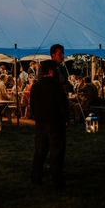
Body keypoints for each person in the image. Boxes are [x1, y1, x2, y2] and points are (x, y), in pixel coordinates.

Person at [29, 59, 69, 190]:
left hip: (40, 123)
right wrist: (66, 119)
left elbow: (32, 105)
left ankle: (36, 177)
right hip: (55, 123)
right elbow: (62, 104)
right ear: (51, 71)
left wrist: (36, 117)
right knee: (56, 151)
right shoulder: (56, 86)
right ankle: (56, 180)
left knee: (40, 151)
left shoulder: (35, 86)